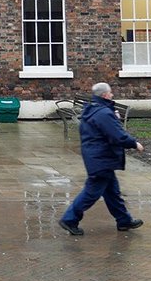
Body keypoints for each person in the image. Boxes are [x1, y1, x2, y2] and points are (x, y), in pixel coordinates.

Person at [58, 82, 144, 236]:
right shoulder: (103, 113)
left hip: (98, 157)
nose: (112, 95)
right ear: (105, 95)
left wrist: (114, 117)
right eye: (110, 93)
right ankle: (69, 219)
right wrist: (134, 143)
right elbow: (117, 135)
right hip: (101, 159)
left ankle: (124, 220)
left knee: (112, 192)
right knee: (91, 193)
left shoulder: (96, 110)